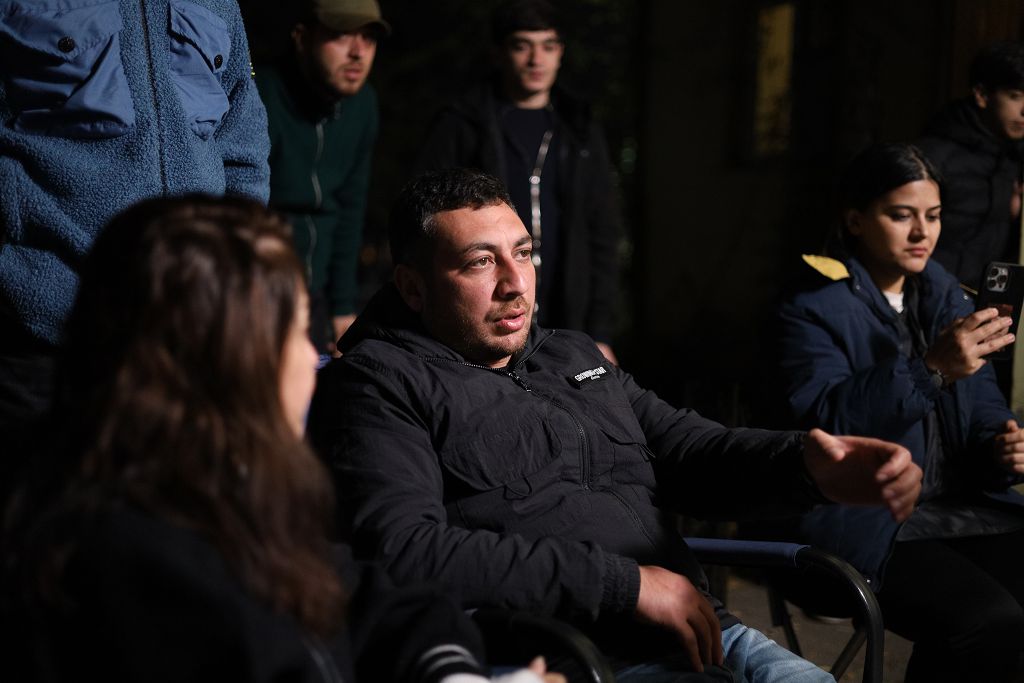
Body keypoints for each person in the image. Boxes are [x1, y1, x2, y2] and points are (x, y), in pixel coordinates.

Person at [307, 167, 923, 683]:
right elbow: (404, 550)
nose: (515, 284)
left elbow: (689, 449)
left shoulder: (567, 353)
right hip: (571, 658)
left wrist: (807, 466)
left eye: (522, 253)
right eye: (480, 262)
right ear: (413, 288)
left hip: (703, 631)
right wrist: (624, 586)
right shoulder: (378, 384)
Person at [0, 195, 558, 683]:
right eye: (296, 330)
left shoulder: (217, 498)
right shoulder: (137, 573)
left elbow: (368, 599)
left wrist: (448, 669)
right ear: (230, 360)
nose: (311, 358)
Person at [772, 143, 1024, 683]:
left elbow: (983, 410)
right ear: (856, 220)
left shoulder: (949, 298)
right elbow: (823, 423)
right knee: (986, 620)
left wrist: (1002, 448)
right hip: (856, 518)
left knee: (1000, 618)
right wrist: (930, 369)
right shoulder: (811, 306)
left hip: (953, 509)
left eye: (933, 216)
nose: (921, 233)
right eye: (901, 215)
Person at [0, 0, 270, 493]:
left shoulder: (219, 4)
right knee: (47, 525)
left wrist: (233, 276)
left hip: (189, 337)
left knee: (172, 522)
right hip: (49, 335)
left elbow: (243, 144)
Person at [415, 0, 621, 363]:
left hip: (566, 314)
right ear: (499, 53)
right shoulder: (464, 123)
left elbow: (602, 230)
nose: (536, 59)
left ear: (560, 52)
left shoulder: (580, 129)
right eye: (522, 46)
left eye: (548, 46)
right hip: (486, 314)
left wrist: (600, 331)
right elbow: (424, 223)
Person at [256, 0, 387, 354]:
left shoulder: (363, 104)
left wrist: (343, 306)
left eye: (369, 37)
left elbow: (350, 206)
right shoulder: (260, 95)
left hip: (317, 295)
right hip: (260, 289)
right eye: (341, 34)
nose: (358, 52)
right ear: (302, 37)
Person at [917, 41, 1024, 292]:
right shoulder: (934, 156)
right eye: (1015, 96)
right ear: (982, 95)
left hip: (987, 298)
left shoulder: (1013, 156)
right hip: (932, 296)